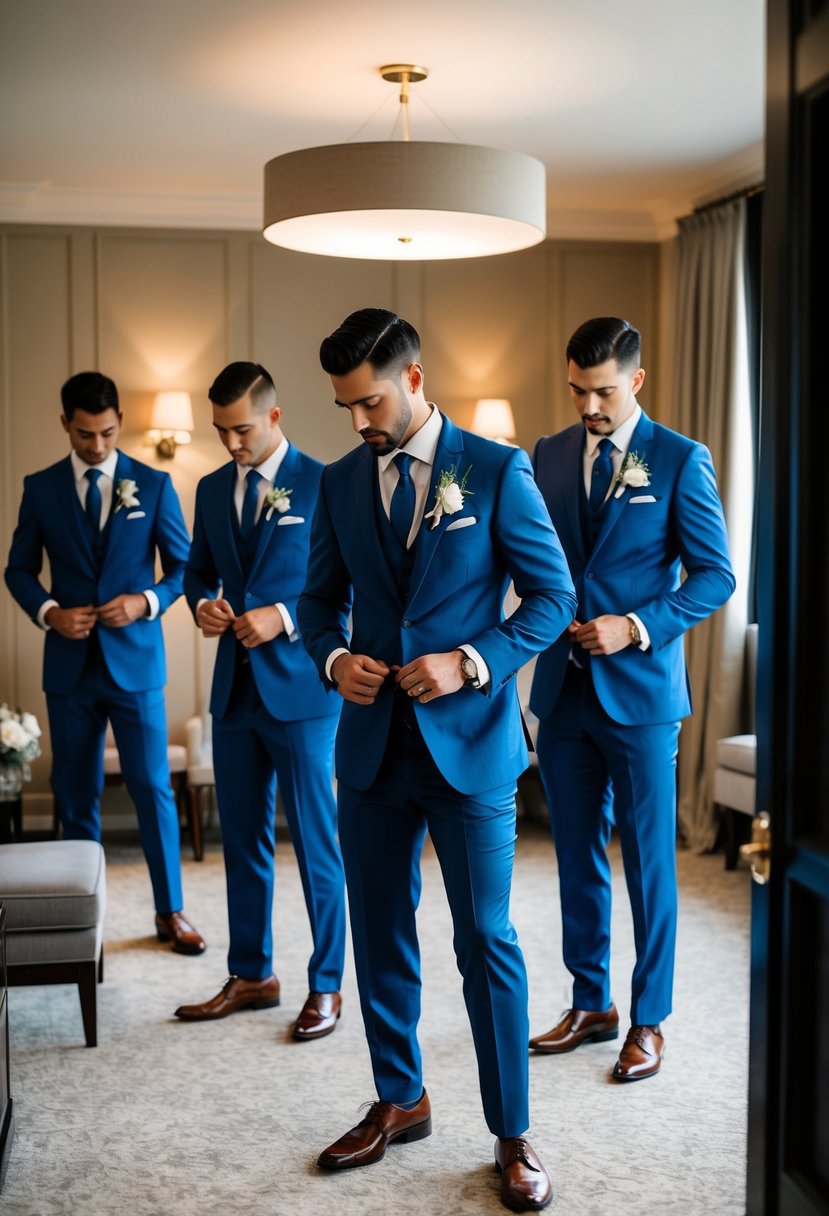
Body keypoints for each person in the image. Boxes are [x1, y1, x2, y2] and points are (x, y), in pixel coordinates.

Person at [297, 308, 576, 1212]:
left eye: (369, 400)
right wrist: (338, 663)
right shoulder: (339, 482)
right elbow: (316, 607)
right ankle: (399, 1097)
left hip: (473, 750)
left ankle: (512, 1132)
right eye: (343, 406)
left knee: (483, 940)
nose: (357, 422)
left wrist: (472, 659)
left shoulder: (496, 469)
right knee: (378, 934)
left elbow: (551, 596)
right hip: (371, 750)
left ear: (413, 379)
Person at [527, 316, 735, 1081]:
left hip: (642, 697)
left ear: (635, 382)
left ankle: (649, 1019)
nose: (588, 406)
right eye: (577, 389)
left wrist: (637, 626)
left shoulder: (681, 459)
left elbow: (715, 576)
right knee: (574, 854)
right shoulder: (546, 455)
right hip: (561, 692)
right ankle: (590, 1001)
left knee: (649, 862)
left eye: (603, 391)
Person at [4, 371, 205, 955]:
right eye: (86, 434)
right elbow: (18, 569)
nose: (97, 446)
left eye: (108, 433)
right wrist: (48, 612)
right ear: (65, 423)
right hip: (69, 668)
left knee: (151, 788)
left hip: (136, 667)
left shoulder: (155, 483)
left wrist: (145, 602)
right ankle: (80, 920)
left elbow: (184, 569)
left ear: (120, 422)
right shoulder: (40, 488)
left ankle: (172, 912)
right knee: (75, 792)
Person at [173, 362, 346, 1039]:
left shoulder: (326, 482)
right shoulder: (213, 489)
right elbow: (195, 569)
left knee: (314, 843)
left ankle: (326, 984)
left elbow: (348, 585)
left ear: (272, 417)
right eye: (220, 431)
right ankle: (252, 973)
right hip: (235, 692)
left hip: (304, 692)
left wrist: (285, 616)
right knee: (239, 839)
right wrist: (202, 604)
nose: (231, 444)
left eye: (241, 429)